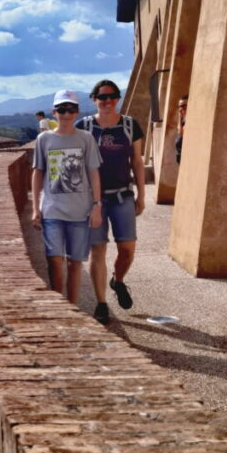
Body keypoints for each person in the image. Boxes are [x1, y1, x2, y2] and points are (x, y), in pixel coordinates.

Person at [76, 80, 146, 324]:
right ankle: (101, 303)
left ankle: (118, 280)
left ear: (117, 98)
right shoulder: (83, 127)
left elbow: (137, 161)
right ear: (94, 99)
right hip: (94, 200)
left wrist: (142, 195)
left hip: (122, 195)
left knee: (127, 249)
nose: (108, 101)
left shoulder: (129, 125)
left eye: (113, 96)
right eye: (102, 97)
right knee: (98, 250)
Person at [32, 90, 102, 310]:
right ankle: (57, 306)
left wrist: (97, 206)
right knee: (54, 259)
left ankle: (72, 308)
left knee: (75, 262)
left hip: (80, 211)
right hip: (52, 210)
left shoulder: (86, 138)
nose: (66, 113)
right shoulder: (44, 139)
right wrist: (36, 208)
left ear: (77, 112)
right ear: (54, 112)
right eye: (62, 109)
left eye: (71, 109)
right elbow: (37, 173)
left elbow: (93, 173)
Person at [175, 94, 187, 163]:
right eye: (179, 106)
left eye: (183, 106)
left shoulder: (190, 120)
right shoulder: (184, 119)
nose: (180, 109)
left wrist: (180, 117)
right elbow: (178, 129)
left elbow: (181, 133)